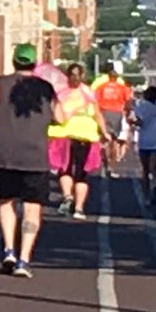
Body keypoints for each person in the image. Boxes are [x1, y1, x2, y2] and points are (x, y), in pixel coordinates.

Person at [0, 43, 64, 279]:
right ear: (34, 64)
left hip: (5, 151)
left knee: (6, 201)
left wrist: (1, 113)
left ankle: (8, 249)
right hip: (35, 155)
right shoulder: (46, 88)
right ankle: (24, 259)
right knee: (32, 207)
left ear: (15, 62)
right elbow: (61, 117)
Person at [48, 64, 104, 220]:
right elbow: (98, 114)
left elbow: (58, 117)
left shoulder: (60, 93)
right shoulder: (89, 93)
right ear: (83, 75)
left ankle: (67, 196)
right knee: (82, 175)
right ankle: (79, 209)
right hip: (87, 136)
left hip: (65, 135)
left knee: (64, 170)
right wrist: (104, 132)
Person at [93, 62, 133, 178]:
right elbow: (129, 101)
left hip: (103, 113)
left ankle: (104, 161)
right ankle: (111, 165)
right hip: (117, 113)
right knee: (115, 140)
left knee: (104, 139)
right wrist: (128, 113)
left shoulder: (101, 87)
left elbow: (95, 100)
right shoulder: (123, 88)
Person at [132, 86, 156, 205]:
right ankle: (155, 186)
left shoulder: (141, 108)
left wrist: (135, 123)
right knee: (154, 169)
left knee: (145, 170)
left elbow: (138, 121)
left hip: (144, 142)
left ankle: (146, 196)